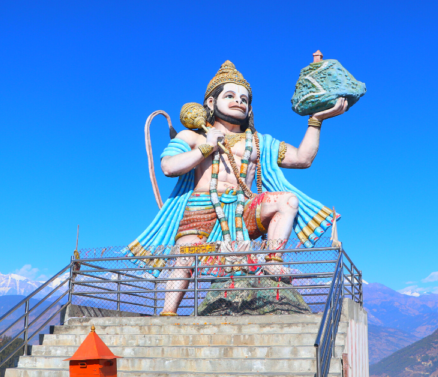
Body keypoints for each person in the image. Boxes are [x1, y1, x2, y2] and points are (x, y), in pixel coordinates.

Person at [127, 61, 347, 315]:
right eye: (230, 96)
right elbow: (168, 166)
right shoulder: (192, 137)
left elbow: (302, 159)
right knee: (184, 257)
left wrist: (316, 121)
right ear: (211, 103)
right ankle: (168, 313)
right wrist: (206, 147)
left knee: (288, 200)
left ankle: (273, 260)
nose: (238, 102)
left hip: (244, 208)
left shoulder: (259, 142)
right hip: (201, 208)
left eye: (244, 99)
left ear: (250, 108)